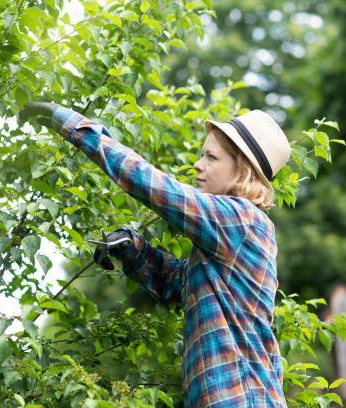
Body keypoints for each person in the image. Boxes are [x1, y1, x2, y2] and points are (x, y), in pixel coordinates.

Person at [19, 102, 291, 407]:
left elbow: (156, 187)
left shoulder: (241, 220)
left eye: (211, 157)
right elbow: (178, 283)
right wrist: (133, 248)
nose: (198, 165)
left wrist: (73, 125)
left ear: (242, 170)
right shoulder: (229, 237)